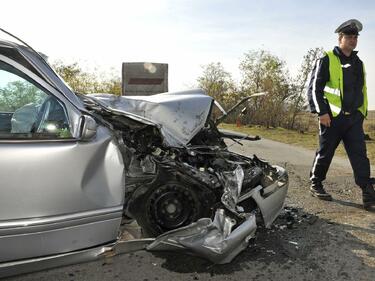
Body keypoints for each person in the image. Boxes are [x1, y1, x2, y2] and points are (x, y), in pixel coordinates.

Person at [307, 19, 375, 211]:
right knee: (325, 153)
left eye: (355, 37)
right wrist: (322, 112)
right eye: (349, 37)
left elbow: (362, 89)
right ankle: (316, 183)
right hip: (332, 118)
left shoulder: (358, 62)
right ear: (340, 38)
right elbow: (314, 89)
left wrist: (361, 113)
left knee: (360, 156)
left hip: (353, 119)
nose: (353, 40)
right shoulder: (326, 58)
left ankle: (368, 193)